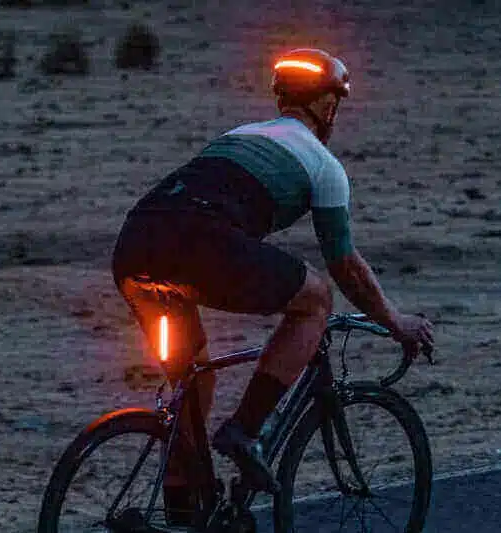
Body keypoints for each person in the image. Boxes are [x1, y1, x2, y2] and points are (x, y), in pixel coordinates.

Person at [111, 48, 434, 525]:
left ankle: (183, 508)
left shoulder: (238, 135)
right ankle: (245, 430)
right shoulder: (324, 165)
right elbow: (344, 264)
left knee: (193, 380)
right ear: (327, 108)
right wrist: (394, 321)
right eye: (334, 106)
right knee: (316, 299)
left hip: (136, 243)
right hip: (199, 242)